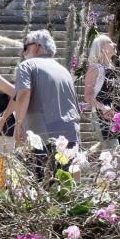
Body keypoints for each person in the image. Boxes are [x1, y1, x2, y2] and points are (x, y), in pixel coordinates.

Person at [12, 30, 82, 179]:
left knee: (44, 187)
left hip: (44, 136)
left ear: (37, 46)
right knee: (67, 188)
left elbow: (23, 93)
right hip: (71, 133)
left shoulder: (27, 65)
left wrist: (18, 124)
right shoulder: (63, 70)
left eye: (25, 47)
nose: (23, 53)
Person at [83, 34, 120, 147]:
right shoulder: (95, 68)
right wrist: (103, 108)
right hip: (102, 117)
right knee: (112, 151)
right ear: (101, 47)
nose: (114, 44)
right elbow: (88, 96)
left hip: (115, 117)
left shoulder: (112, 68)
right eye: (109, 42)